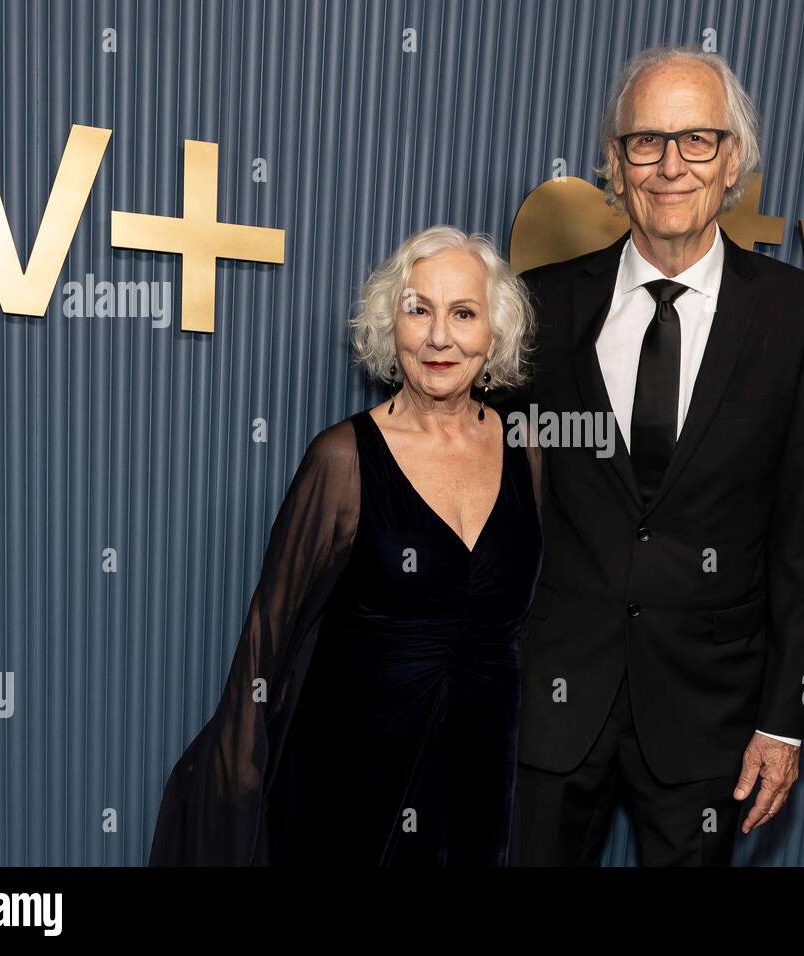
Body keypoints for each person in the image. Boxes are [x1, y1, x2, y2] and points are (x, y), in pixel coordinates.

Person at [499, 45, 804, 866]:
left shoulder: (796, 313)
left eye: (697, 141)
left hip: (709, 711)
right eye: (645, 142)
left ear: (734, 164)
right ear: (614, 166)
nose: (669, 166)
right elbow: (495, 499)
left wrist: (783, 718)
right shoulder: (542, 305)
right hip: (554, 697)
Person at [149, 225, 541, 865]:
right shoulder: (343, 459)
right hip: (350, 777)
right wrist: (237, 782)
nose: (440, 336)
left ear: (493, 333)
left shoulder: (526, 452)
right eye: (419, 311)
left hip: (480, 772)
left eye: (463, 313)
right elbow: (267, 635)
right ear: (393, 328)